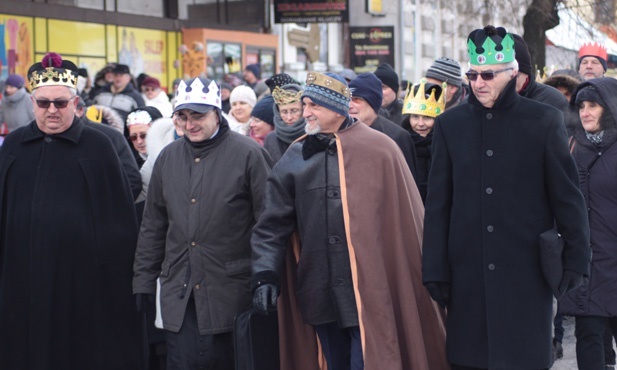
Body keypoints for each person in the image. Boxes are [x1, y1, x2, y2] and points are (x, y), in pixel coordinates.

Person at [251, 71, 449, 370]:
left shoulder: (382, 149)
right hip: (319, 290)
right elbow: (272, 224)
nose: (305, 113)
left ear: (337, 108)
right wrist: (265, 274)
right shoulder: (295, 155)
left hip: (371, 291)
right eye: (304, 104)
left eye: (313, 105)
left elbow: (405, 226)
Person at [422, 26, 591, 369]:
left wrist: (576, 258)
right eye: (472, 75)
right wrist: (434, 268)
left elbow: (567, 196)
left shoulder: (543, 121)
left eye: (487, 74)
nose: (478, 82)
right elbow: (438, 204)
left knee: (524, 358)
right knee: (470, 359)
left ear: (513, 74)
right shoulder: (450, 125)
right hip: (467, 273)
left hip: (526, 273)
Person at [0, 52, 141, 369]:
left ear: (75, 102)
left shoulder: (99, 146)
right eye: (43, 103)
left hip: (81, 285)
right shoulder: (14, 146)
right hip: (22, 280)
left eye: (60, 103)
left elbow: (119, 223)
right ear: (32, 102)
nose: (52, 110)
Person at [133, 77, 272, 370]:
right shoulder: (168, 158)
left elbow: (268, 223)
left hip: (231, 292)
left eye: (198, 116)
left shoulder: (248, 154)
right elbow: (153, 226)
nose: (189, 124)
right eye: (182, 117)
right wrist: (143, 281)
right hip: (179, 291)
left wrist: (266, 276)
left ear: (216, 113)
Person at [558, 78, 617, 370]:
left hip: (615, 260)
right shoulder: (570, 146)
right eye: (581, 106)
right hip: (585, 265)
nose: (585, 112)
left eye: (593, 105)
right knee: (589, 336)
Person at [348, 72, 417, 176]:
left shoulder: (396, 136)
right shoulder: (341, 133)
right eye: (347, 99)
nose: (349, 105)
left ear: (372, 102)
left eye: (356, 100)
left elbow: (408, 181)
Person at [400, 79, 446, 202]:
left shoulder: (445, 144)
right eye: (415, 117)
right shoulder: (400, 143)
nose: (420, 124)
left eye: (427, 117)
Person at [511, 34, 569, 112]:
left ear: (526, 74)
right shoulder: (490, 100)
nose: (508, 81)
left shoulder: (553, 101)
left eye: (515, 75)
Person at [263, 83, 306, 163]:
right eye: (284, 112)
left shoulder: (314, 136)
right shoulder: (271, 139)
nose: (289, 117)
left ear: (304, 109)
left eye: (294, 111)